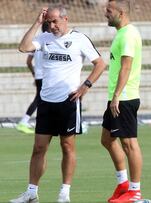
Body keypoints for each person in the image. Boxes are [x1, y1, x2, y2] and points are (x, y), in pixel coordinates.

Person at [10, 5, 106, 203]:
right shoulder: (44, 38)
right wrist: (37, 23)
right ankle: (31, 193)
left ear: (65, 19)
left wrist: (85, 86)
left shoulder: (79, 39)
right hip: (46, 101)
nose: (52, 26)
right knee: (38, 148)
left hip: (68, 102)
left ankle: (64, 193)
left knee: (67, 146)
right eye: (48, 22)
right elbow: (23, 47)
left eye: (55, 21)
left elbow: (100, 63)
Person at [101, 1, 143, 203]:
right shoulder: (121, 33)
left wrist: (117, 95)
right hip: (116, 97)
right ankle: (123, 184)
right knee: (107, 139)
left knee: (129, 143)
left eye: (109, 10)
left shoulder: (128, 34)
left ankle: (135, 191)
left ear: (121, 12)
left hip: (124, 98)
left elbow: (126, 67)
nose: (105, 13)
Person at [16, 22, 50, 134]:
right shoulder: (50, 41)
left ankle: (40, 122)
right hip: (46, 75)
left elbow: (28, 62)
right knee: (41, 99)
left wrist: (34, 73)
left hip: (38, 75)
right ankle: (24, 121)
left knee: (41, 99)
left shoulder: (36, 40)